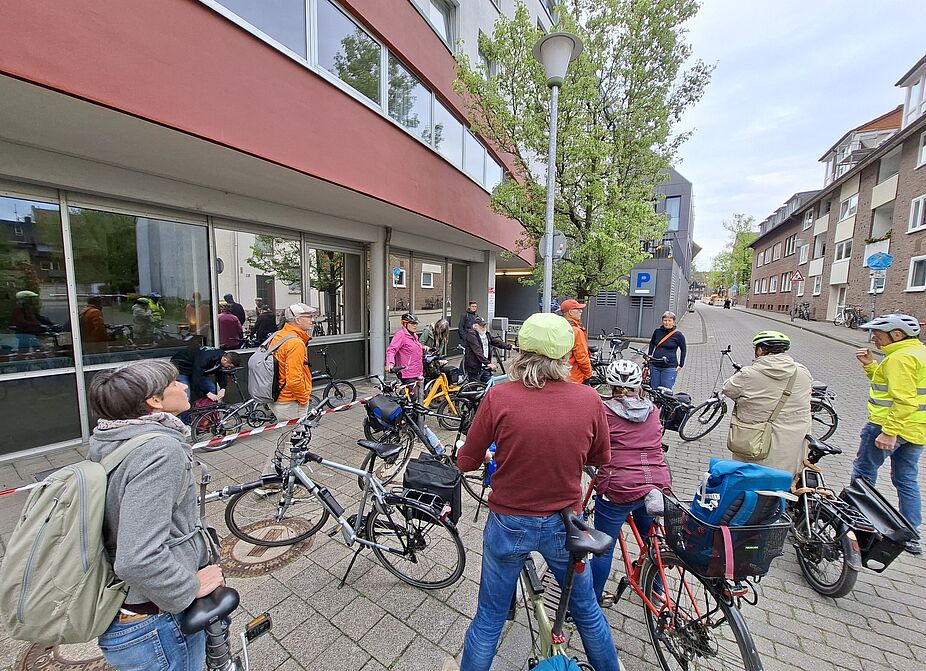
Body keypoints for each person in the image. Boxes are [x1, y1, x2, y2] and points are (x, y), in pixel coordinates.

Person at [456, 312, 619, 671]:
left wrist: (478, 456)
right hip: (565, 524)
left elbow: (466, 460)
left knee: (489, 618)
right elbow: (600, 456)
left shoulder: (499, 397)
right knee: (587, 611)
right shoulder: (589, 399)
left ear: (520, 352)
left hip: (509, 520)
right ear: (565, 356)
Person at [87, 360, 224, 671]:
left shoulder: (112, 439)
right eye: (174, 383)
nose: (184, 386)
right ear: (154, 401)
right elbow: (137, 558)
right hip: (157, 622)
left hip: (127, 612)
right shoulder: (159, 451)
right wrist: (187, 588)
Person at [591, 359, 672, 605]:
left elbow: (594, 446)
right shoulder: (654, 411)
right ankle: (656, 592)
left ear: (611, 387)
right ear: (640, 387)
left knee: (603, 547)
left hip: (619, 485)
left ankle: (590, 603)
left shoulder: (603, 411)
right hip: (655, 483)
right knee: (652, 538)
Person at [852, 313, 925, 555]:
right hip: (916, 430)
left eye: (878, 334)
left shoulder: (900, 359)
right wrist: (870, 366)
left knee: (863, 474)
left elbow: (903, 400)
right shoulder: (917, 353)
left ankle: (856, 521)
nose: (874, 338)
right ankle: (910, 534)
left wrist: (889, 432)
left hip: (888, 427)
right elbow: (886, 385)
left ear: (896, 334)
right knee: (906, 479)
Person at [722, 331, 812, 475]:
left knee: (751, 482)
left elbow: (728, 389)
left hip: (755, 442)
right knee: (783, 483)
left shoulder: (748, 374)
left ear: (760, 350)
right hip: (792, 446)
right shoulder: (801, 371)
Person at [267, 303, 317, 421]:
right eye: (309, 316)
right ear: (298, 320)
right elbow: (294, 380)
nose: (312, 320)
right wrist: (304, 399)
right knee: (296, 438)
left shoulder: (278, 336)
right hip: (289, 401)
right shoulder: (295, 343)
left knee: (287, 436)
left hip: (277, 397)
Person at [170, 346, 240, 404]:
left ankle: (208, 416)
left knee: (211, 388)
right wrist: (207, 393)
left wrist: (223, 388)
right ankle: (184, 420)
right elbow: (196, 377)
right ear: (225, 360)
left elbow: (221, 372)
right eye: (229, 366)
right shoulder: (206, 358)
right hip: (181, 368)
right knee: (185, 396)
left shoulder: (222, 358)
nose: (228, 368)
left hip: (197, 370)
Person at [463, 316, 512, 383]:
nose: (484, 327)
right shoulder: (471, 334)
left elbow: (496, 342)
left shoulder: (486, 334)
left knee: (490, 385)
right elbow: (477, 351)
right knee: (473, 388)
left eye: (484, 325)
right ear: (475, 326)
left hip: (485, 367)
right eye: (481, 326)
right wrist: (488, 363)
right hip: (475, 367)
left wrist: (510, 346)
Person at [647, 311, 687, 390]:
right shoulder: (657, 332)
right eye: (665, 320)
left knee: (666, 390)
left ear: (674, 322)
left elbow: (683, 349)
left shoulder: (678, 335)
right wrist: (649, 355)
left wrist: (681, 364)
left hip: (669, 367)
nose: (667, 323)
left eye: (669, 320)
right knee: (654, 389)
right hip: (655, 365)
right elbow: (652, 343)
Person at [386, 312, 429, 383]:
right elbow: (391, 349)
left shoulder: (413, 335)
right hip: (408, 374)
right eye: (412, 323)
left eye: (416, 323)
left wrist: (422, 347)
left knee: (421, 393)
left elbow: (411, 347)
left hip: (417, 371)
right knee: (411, 393)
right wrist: (390, 363)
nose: (415, 325)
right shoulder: (401, 335)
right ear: (405, 324)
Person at [559, 298, 593, 384]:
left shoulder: (559, 328)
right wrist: (589, 373)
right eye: (578, 309)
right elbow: (582, 357)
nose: (581, 311)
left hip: (560, 373)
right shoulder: (576, 331)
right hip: (574, 377)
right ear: (570, 312)